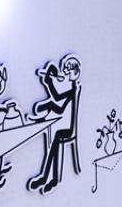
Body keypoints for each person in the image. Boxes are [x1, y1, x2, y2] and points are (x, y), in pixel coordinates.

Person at [27, 54, 81, 194]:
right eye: (65, 69)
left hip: (68, 129)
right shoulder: (69, 87)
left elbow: (59, 106)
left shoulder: (73, 89)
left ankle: (48, 178)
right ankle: (50, 178)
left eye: (68, 70)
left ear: (74, 74)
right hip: (61, 124)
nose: (65, 72)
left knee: (55, 139)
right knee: (52, 133)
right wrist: (49, 82)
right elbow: (56, 98)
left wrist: (49, 83)